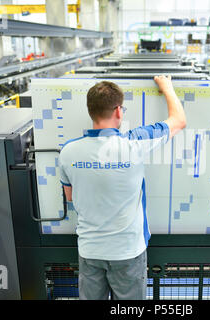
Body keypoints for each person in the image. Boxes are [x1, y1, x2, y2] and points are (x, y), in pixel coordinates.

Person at [58, 75, 186, 300]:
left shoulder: (68, 152)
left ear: (90, 111)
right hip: (127, 251)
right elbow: (179, 121)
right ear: (118, 111)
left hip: (89, 251)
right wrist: (167, 86)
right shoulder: (134, 144)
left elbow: (69, 197)